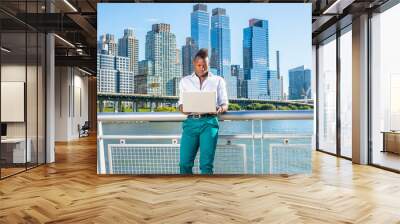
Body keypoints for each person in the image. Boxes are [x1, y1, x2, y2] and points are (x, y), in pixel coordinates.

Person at [177, 48, 229, 175]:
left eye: (205, 65)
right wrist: (183, 108)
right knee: (184, 163)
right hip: (191, 123)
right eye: (199, 65)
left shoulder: (218, 80)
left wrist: (220, 109)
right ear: (194, 64)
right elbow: (180, 104)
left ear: (208, 64)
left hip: (209, 122)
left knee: (206, 165)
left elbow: (225, 103)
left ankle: (205, 192)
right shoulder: (185, 81)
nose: (202, 68)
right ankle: (188, 192)